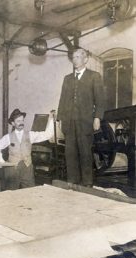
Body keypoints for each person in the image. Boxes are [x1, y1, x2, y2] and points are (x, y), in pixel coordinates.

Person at [57, 48, 105, 187]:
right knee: (70, 154)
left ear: (85, 59)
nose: (75, 60)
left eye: (78, 57)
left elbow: (100, 100)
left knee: (85, 154)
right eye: (74, 57)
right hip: (69, 123)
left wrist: (97, 118)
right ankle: (72, 182)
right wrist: (60, 118)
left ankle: (87, 183)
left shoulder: (94, 76)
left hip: (85, 123)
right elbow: (63, 100)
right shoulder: (67, 79)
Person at [0, 108, 54, 190]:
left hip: (27, 169)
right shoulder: (7, 137)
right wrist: (1, 162)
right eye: (18, 121)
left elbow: (47, 135)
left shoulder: (30, 135)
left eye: (22, 120)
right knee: (11, 196)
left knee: (30, 193)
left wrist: (51, 119)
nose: (21, 123)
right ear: (13, 123)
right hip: (12, 170)